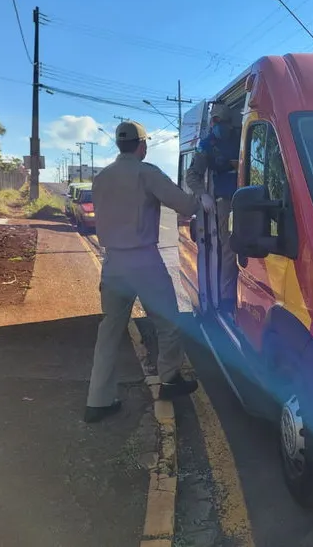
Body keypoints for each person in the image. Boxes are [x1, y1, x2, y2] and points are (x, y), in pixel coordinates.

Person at [84, 120, 201, 423]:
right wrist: (200, 185)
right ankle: (169, 380)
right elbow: (186, 206)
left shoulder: (101, 177)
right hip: (144, 261)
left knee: (109, 331)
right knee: (168, 322)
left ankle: (97, 401)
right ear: (142, 145)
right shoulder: (146, 172)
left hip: (112, 263)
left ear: (118, 144)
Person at [185, 103, 240, 314]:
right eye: (215, 121)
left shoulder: (240, 137)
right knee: (229, 249)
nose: (218, 125)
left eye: (222, 122)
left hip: (249, 197)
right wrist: (203, 195)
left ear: (229, 123)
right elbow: (192, 176)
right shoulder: (207, 145)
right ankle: (226, 298)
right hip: (225, 202)